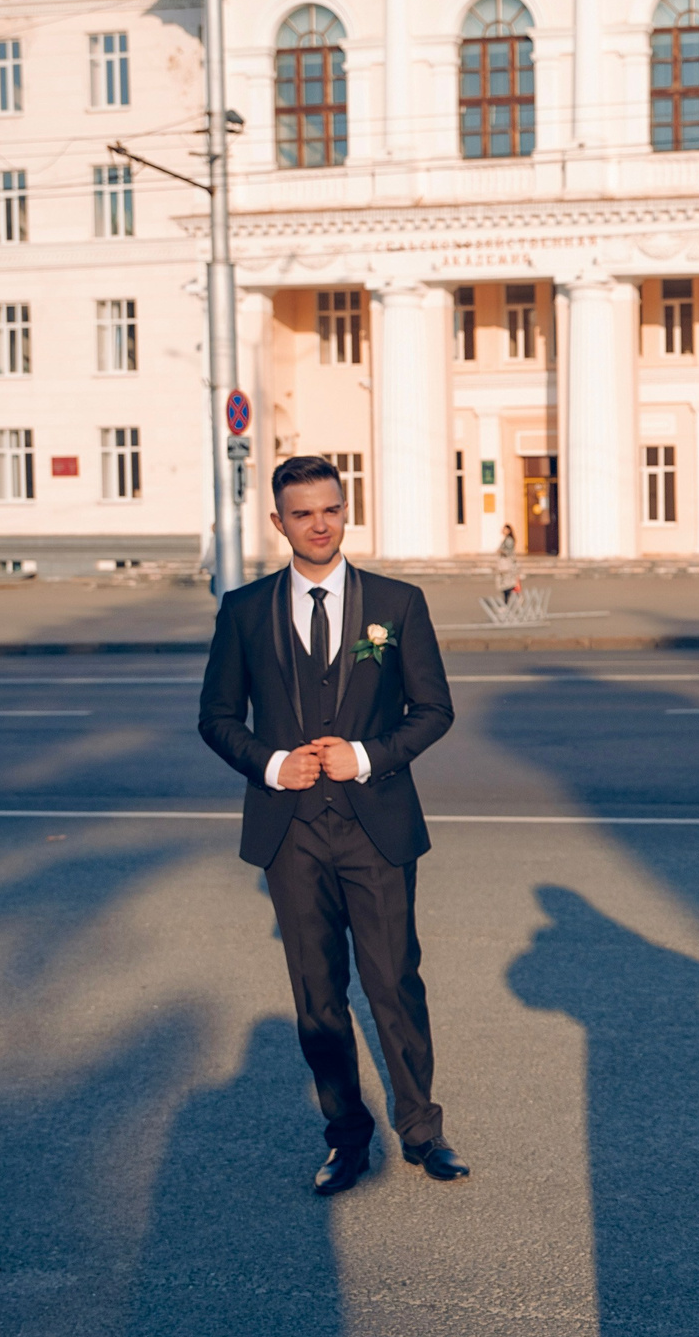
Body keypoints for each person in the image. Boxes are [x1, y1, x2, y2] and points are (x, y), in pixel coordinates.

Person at [197, 455, 468, 1195]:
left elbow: (435, 710)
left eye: (331, 510)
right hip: (291, 832)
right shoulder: (244, 611)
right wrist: (273, 763)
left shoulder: (396, 603)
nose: (319, 524)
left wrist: (367, 756)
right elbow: (216, 719)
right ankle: (346, 1138)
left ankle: (421, 1131)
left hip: (375, 827)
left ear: (345, 512)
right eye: (303, 513)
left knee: (393, 983)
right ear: (279, 522)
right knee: (318, 997)